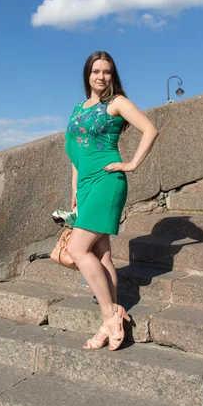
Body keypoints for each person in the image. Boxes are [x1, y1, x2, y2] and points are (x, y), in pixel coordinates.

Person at [65, 51, 159, 350]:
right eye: (96, 71)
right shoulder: (78, 109)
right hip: (87, 185)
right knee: (103, 256)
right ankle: (107, 325)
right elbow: (76, 157)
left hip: (108, 182)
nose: (101, 77)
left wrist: (131, 164)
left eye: (106, 72)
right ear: (87, 75)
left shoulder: (116, 103)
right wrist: (75, 193)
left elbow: (150, 129)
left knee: (77, 248)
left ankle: (110, 316)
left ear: (112, 75)